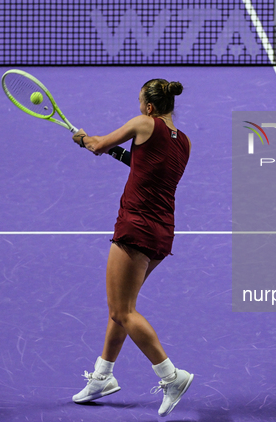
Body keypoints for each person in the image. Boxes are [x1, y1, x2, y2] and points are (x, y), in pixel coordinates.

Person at [70, 78, 193, 417]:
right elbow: (144, 164)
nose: (139, 106)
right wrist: (114, 150)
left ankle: (171, 377)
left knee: (123, 311)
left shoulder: (143, 123)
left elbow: (96, 145)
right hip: (161, 233)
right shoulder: (183, 142)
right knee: (122, 306)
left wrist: (83, 139)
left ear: (149, 107)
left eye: (140, 101)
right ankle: (103, 376)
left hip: (135, 227)